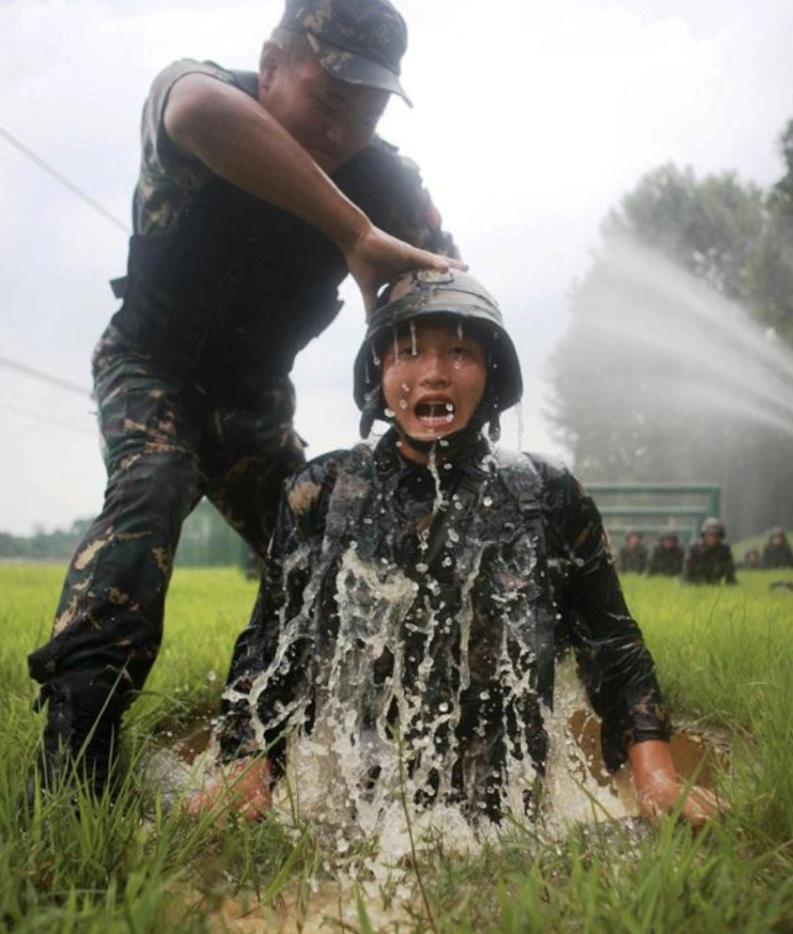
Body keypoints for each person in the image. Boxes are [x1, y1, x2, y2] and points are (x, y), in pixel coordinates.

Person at [26, 0, 461, 799]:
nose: (341, 132)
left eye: (363, 114)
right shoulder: (204, 99)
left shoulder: (384, 179)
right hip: (150, 365)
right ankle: (76, 750)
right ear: (270, 64)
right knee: (152, 487)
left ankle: (339, 730)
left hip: (255, 402)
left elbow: (450, 285)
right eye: (325, 100)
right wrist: (352, 232)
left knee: (322, 548)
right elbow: (193, 109)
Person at [190, 269, 720, 827]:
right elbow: (274, 643)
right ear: (380, 371)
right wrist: (245, 768)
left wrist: (657, 776)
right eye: (409, 353)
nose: (435, 375)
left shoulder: (549, 495)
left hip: (510, 806)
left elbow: (613, 644)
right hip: (363, 807)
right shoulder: (321, 493)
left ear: (492, 375)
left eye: (461, 353)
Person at [682, 518, 737, 586]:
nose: (712, 538)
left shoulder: (724, 550)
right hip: (695, 581)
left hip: (714, 580)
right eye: (709, 535)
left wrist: (730, 582)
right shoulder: (694, 548)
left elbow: (730, 573)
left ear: (720, 537)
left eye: (715, 535)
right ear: (704, 535)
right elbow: (687, 572)